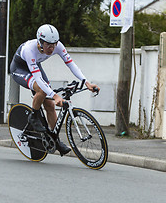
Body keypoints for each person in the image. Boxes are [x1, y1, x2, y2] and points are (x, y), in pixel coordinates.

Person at [10, 24, 100, 156]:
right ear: (40, 42)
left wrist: (86, 82)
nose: (52, 48)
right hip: (20, 69)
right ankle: (33, 116)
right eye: (48, 45)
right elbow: (38, 79)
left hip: (35, 67)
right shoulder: (29, 50)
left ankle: (55, 140)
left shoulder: (57, 46)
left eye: (54, 44)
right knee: (41, 90)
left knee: (50, 105)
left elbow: (70, 64)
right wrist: (55, 95)